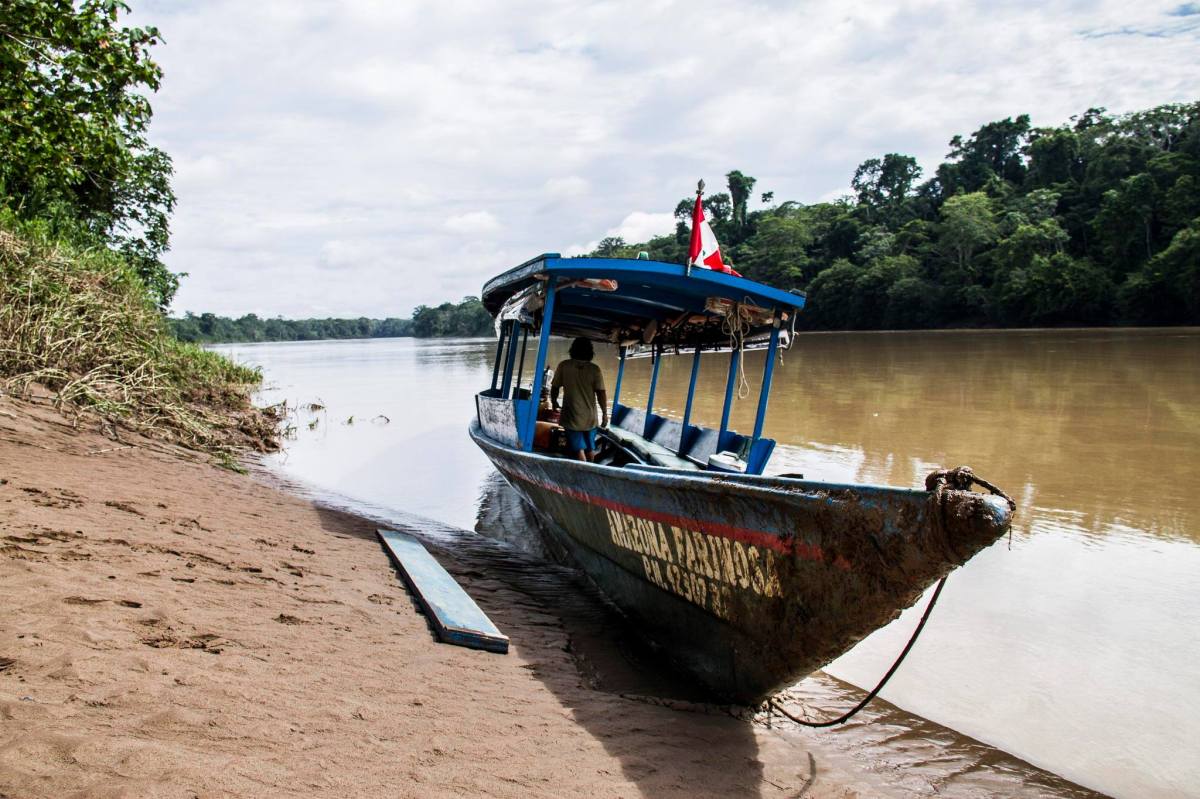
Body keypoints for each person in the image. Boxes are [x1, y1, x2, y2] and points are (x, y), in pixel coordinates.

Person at [550, 337, 608, 461]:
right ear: (590, 352)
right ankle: (591, 469)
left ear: (572, 350)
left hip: (572, 415)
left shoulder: (564, 366)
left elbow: (555, 387)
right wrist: (604, 413)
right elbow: (601, 393)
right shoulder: (594, 369)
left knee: (579, 450)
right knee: (590, 449)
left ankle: (584, 470)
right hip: (590, 418)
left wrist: (554, 402)